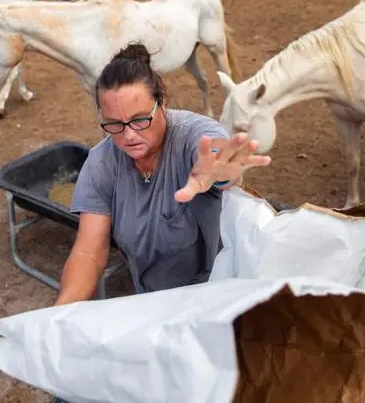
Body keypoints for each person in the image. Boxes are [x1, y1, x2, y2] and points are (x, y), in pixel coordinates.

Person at [53, 43, 271, 305]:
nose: (129, 135)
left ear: (162, 103)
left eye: (139, 119)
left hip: (219, 297)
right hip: (154, 302)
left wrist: (220, 173)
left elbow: (214, 154)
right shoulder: (101, 163)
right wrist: (61, 311)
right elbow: (90, 251)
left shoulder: (193, 136)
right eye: (114, 124)